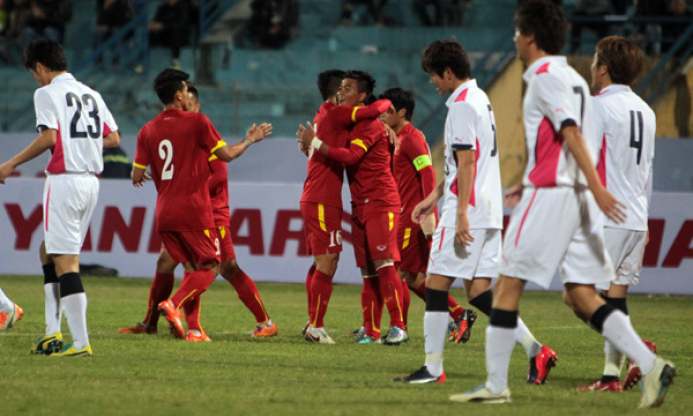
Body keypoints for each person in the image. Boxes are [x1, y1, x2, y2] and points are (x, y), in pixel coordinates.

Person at [450, 1, 676, 407]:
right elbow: (565, 140)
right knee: (583, 294)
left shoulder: (542, 78)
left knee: (506, 286)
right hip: (573, 195)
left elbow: (571, 133)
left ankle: (496, 385)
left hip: (554, 194)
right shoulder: (573, 78)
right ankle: (650, 363)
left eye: (518, 32)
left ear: (531, 37)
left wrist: (596, 187)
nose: (515, 39)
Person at [392, 39, 550, 384]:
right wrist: (434, 196)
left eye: (434, 75)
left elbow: (467, 162)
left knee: (434, 285)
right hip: (488, 210)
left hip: (469, 210)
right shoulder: (480, 98)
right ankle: (538, 351)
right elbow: (462, 162)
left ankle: (433, 369)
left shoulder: (462, 105)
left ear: (448, 72)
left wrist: (460, 212)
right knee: (479, 292)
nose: (432, 82)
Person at [121, 82, 277, 341]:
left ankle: (263, 321)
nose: (187, 109)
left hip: (212, 213)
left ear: (195, 105)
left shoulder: (201, 130)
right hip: (190, 211)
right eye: (185, 104)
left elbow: (219, 173)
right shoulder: (178, 132)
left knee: (225, 268)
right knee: (181, 264)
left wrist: (187, 189)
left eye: (191, 105)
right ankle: (169, 324)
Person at [0, 38, 120, 357]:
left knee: (67, 263)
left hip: (65, 181)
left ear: (40, 67)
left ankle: (80, 343)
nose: (36, 80)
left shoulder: (47, 92)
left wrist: (10, 163)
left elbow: (49, 137)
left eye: (34, 73)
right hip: (91, 183)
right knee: (48, 251)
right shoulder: (91, 93)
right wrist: (83, 143)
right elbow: (113, 137)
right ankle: (52, 332)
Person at [573, 36, 657, 392]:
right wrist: (647, 219)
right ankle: (611, 377)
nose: (592, 67)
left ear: (603, 68)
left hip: (608, 216)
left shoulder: (598, 107)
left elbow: (585, 162)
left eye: (594, 60)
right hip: (636, 217)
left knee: (576, 295)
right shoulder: (646, 110)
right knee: (615, 298)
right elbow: (648, 170)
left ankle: (639, 353)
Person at [298, 70, 407, 345]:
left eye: (349, 88)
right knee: (346, 265)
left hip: (379, 202)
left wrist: (313, 143)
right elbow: (376, 109)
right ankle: (338, 327)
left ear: (360, 96)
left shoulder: (363, 123)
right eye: (342, 88)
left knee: (380, 264)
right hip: (346, 202)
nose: (344, 92)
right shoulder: (341, 116)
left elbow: (352, 154)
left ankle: (397, 327)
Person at [377, 87, 475, 343]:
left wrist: (427, 213)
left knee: (397, 272)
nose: (382, 115)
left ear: (402, 112)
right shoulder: (393, 138)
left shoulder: (411, 138)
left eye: (387, 111)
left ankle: (400, 328)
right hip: (401, 214)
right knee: (415, 277)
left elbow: (427, 173)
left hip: (412, 217)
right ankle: (458, 314)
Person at [148, 0, 189, 69]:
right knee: (149, 31)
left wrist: (163, 26)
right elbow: (156, 21)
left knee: (176, 32)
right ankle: (144, 58)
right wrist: (153, 25)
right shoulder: (162, 8)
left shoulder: (182, 8)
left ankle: (176, 61)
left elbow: (181, 25)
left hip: (180, 37)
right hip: (165, 35)